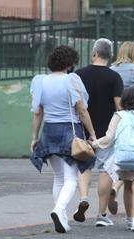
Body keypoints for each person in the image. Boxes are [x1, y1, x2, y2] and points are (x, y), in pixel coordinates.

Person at [30, 45, 97, 233]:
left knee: (59, 177)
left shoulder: (40, 81)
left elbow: (37, 112)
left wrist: (34, 137)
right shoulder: (71, 80)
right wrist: (92, 134)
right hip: (69, 129)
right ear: (69, 63)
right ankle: (59, 210)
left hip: (48, 130)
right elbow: (82, 109)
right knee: (71, 178)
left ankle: (62, 218)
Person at [90, 87, 134, 233]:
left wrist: (95, 144)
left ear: (124, 100)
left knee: (127, 187)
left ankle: (129, 219)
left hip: (124, 157)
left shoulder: (118, 115)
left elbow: (109, 138)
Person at [74, 38, 124, 225]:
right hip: (106, 132)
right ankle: (102, 215)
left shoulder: (78, 75)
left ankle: (84, 197)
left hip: (84, 129)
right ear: (110, 57)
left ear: (94, 52)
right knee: (105, 170)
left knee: (84, 166)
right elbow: (119, 107)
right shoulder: (114, 77)